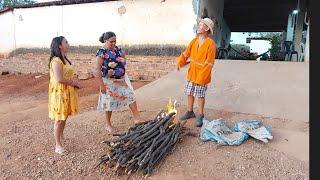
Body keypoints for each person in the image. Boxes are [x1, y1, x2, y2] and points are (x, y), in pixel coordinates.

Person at [95, 31, 142, 134]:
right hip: (108, 81)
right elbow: (97, 70)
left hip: (120, 80)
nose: (113, 43)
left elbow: (124, 58)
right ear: (105, 41)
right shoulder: (101, 52)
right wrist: (101, 85)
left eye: (115, 41)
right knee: (109, 102)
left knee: (130, 95)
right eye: (111, 42)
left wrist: (121, 66)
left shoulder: (117, 49)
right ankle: (108, 124)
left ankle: (137, 118)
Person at [176, 18, 216, 127]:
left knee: (200, 95)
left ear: (207, 29)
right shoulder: (194, 41)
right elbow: (186, 53)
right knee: (189, 92)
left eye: (202, 25)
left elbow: (209, 62)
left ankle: (201, 114)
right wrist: (180, 62)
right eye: (199, 25)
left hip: (202, 74)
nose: (199, 27)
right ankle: (190, 111)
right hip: (192, 72)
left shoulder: (210, 44)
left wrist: (202, 77)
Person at [48, 36, 81, 154]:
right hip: (60, 93)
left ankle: (61, 136)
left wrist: (75, 79)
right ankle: (57, 145)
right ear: (60, 45)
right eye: (66, 42)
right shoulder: (56, 61)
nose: (68, 44)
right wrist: (73, 82)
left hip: (67, 92)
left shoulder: (65, 59)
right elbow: (59, 79)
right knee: (59, 119)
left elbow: (67, 75)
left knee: (64, 116)